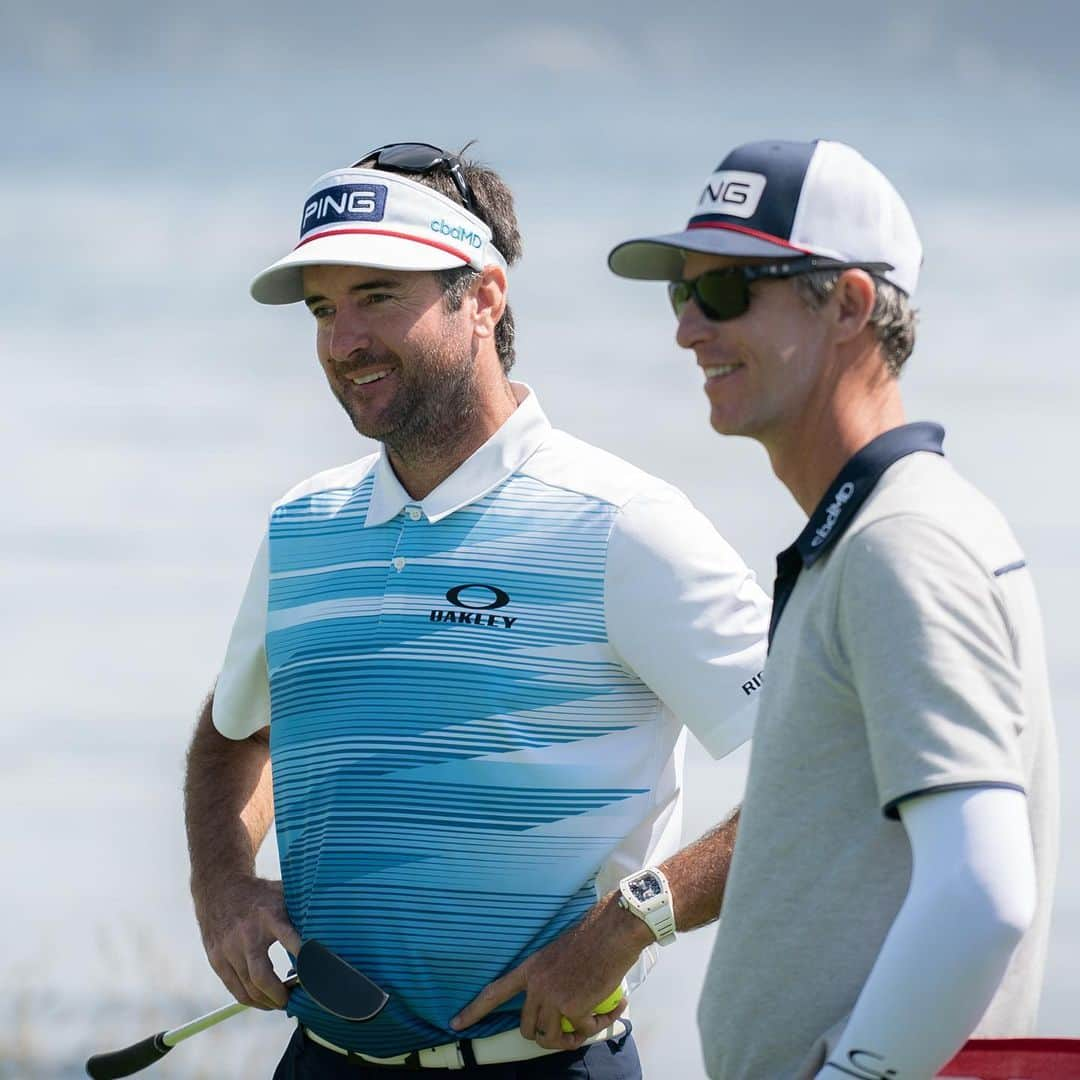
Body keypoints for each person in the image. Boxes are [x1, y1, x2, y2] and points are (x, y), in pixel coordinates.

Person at [184, 142, 771, 1079]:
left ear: (484, 297)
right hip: (322, 1059)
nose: (342, 345)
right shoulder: (303, 526)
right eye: (323, 310)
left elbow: (822, 767)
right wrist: (223, 885)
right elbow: (233, 733)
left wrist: (636, 917)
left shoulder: (626, 525)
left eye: (377, 297)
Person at [608, 138, 1059, 1079]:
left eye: (727, 291)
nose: (688, 329)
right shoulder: (877, 533)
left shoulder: (903, 544)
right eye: (681, 293)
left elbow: (982, 892)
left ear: (850, 303)